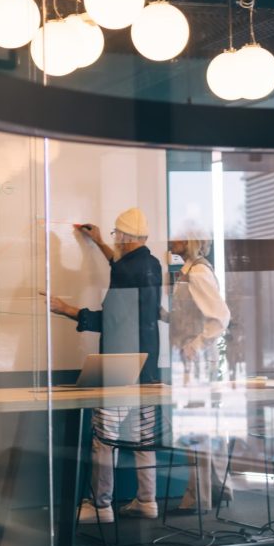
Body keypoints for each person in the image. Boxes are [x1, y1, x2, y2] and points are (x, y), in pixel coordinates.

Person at [48, 206, 164, 523]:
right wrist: (99, 242)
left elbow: (111, 321)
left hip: (119, 363)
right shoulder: (151, 265)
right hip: (149, 366)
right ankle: (147, 500)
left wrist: (67, 310)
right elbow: (123, 265)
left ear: (125, 237)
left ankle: (100, 507)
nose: (116, 240)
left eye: (116, 235)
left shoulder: (127, 271)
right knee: (144, 437)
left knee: (104, 437)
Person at [165, 227, 230, 513]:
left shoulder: (199, 273)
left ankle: (200, 496)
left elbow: (220, 317)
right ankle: (216, 490)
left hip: (197, 361)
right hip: (192, 359)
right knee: (202, 427)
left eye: (177, 237)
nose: (170, 241)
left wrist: (196, 344)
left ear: (189, 241)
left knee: (197, 428)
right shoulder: (189, 271)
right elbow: (192, 315)